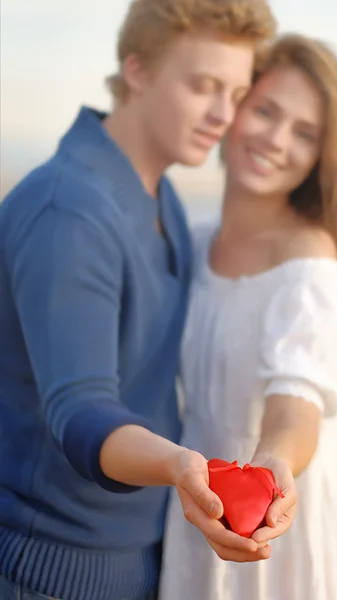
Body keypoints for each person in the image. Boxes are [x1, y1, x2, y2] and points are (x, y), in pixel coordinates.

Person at [0, 2, 278, 599]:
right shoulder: (67, 210)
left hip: (136, 561)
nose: (223, 115)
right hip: (48, 571)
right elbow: (81, 410)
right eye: (203, 85)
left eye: (236, 91)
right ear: (138, 70)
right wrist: (183, 467)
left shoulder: (164, 197)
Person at [159, 33, 337, 600]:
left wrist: (270, 466)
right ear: (234, 107)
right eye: (266, 111)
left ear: (321, 157)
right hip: (197, 497)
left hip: (278, 512)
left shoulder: (308, 260)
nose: (276, 139)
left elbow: (297, 408)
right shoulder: (193, 241)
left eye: (305, 133)